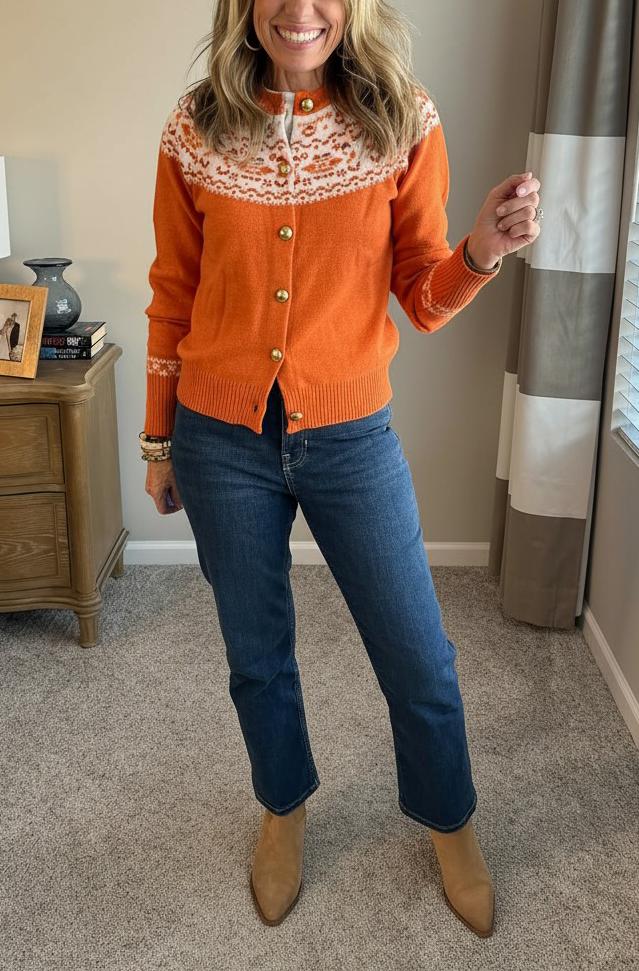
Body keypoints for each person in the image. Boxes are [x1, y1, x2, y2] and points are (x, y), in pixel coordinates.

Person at [140, 0, 542, 937]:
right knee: (255, 654)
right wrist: (158, 440)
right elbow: (172, 290)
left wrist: (481, 250)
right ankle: (282, 810)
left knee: (417, 653)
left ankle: (449, 821)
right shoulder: (196, 126)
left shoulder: (401, 118)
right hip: (217, 437)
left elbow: (423, 297)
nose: (300, 10)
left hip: (350, 432)